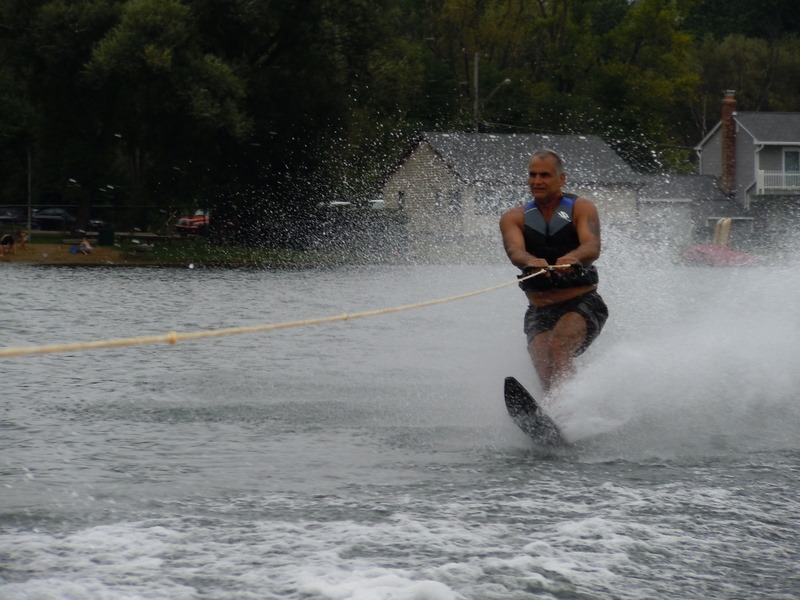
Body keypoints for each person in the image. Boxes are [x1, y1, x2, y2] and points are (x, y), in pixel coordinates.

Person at [499, 149, 608, 394]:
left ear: (561, 179)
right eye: (532, 175)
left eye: (545, 175)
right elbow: (515, 251)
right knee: (542, 360)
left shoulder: (581, 208)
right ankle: (556, 417)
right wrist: (530, 260)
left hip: (582, 303)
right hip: (539, 308)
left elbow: (592, 245)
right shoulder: (513, 217)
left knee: (558, 345)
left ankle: (572, 409)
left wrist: (574, 257)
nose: (537, 181)